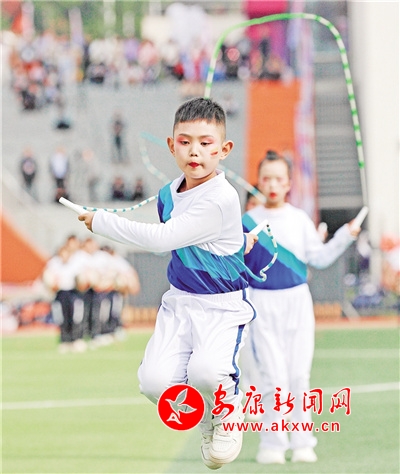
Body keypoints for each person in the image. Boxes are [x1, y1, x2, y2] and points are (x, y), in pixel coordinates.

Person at [78, 97, 259, 469]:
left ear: (225, 149)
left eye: (206, 143)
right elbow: (200, 241)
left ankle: (227, 409)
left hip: (220, 307)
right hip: (180, 302)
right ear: (171, 145)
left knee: (206, 372)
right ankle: (206, 416)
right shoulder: (167, 195)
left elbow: (163, 239)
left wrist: (102, 221)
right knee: (155, 384)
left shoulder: (221, 197)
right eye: (185, 141)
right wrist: (237, 242)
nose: (195, 151)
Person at [242, 150, 362, 465]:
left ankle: (303, 443)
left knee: (298, 377)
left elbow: (319, 258)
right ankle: (272, 444)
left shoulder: (298, 219)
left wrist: (345, 236)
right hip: (261, 303)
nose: (272, 185)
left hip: (297, 301)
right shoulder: (247, 222)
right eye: (266, 178)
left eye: (278, 179)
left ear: (288, 183)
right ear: (259, 182)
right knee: (272, 378)